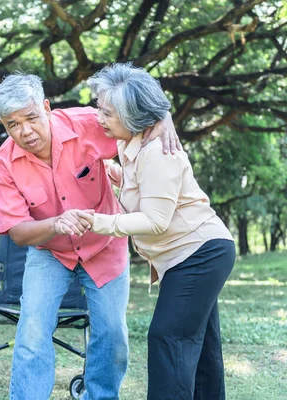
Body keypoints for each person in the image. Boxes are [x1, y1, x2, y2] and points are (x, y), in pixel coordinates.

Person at [0, 73, 180, 400]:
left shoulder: (88, 123)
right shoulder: (3, 164)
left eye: (31, 118)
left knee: (112, 335)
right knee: (32, 331)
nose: (25, 131)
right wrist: (56, 224)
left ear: (46, 107)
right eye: (12, 124)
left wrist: (165, 120)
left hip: (106, 246)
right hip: (50, 252)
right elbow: (18, 232)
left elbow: (141, 109)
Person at [80, 63, 235, 400]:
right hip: (189, 254)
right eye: (99, 108)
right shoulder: (129, 143)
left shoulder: (157, 153)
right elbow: (150, 196)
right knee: (204, 348)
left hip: (198, 253)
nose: (99, 118)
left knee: (167, 338)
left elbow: (155, 221)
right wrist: (123, 181)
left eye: (107, 113)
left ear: (134, 117)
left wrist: (98, 222)